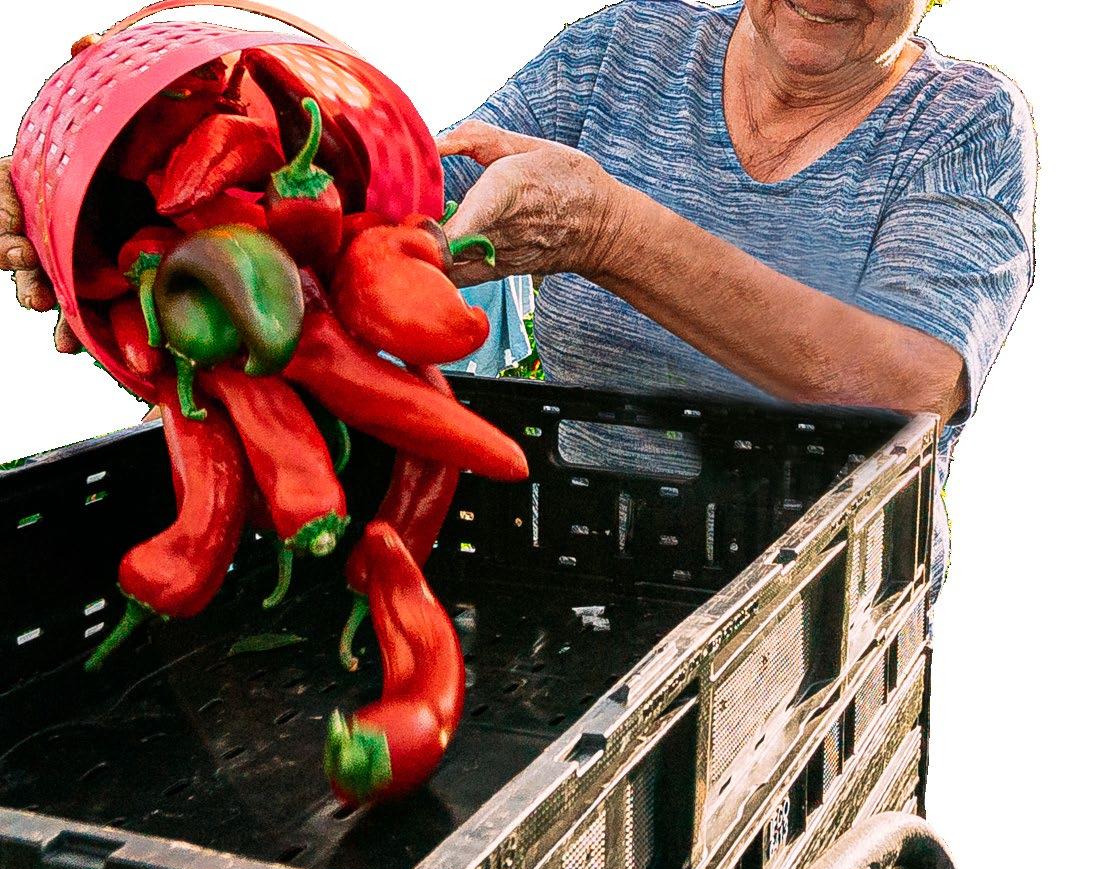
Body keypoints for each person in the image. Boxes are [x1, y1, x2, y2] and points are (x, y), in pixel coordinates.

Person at [0, 0, 1036, 598]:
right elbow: (405, 200)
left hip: (819, 619)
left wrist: (615, 236)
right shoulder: (625, 51)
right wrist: (116, 215)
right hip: (578, 566)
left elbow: (910, 383)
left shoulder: (964, 123)